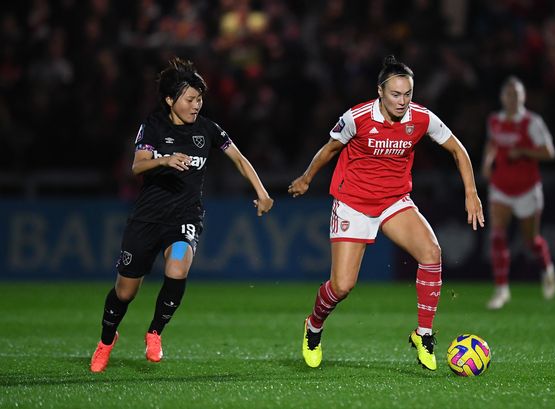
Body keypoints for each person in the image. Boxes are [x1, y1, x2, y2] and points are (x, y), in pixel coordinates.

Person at [288, 55, 484, 371]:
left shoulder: (421, 118)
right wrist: (306, 178)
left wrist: (471, 192)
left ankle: (424, 333)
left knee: (431, 253)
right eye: (395, 94)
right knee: (342, 287)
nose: (402, 101)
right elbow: (329, 150)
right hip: (353, 201)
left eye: (407, 94)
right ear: (380, 91)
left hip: (394, 200)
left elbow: (457, 150)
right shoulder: (357, 117)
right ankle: (313, 326)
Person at [90, 57, 274, 372]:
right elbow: (137, 166)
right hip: (147, 219)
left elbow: (239, 158)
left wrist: (262, 191)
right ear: (170, 100)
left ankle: (154, 333)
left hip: (184, 217)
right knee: (126, 291)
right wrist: (163, 161)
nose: (196, 105)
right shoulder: (153, 125)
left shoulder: (208, 130)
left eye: (199, 99)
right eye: (190, 99)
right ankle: (107, 340)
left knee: (178, 267)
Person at [481, 76, 555, 310]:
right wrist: (486, 162)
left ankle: (547, 268)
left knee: (530, 240)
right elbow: (492, 143)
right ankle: (502, 290)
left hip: (527, 189)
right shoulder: (494, 120)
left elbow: (549, 153)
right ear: (503, 97)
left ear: (523, 97)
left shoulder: (532, 122)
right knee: (497, 235)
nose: (513, 99)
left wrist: (523, 151)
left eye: (517, 94)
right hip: (501, 186)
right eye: (509, 94)